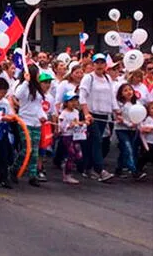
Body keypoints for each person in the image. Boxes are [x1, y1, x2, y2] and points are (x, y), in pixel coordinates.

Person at [79, 53, 117, 182]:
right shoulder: (88, 78)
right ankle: (100, 169)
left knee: (92, 142)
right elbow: (82, 96)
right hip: (91, 114)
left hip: (104, 115)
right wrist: (86, 113)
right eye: (97, 62)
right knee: (97, 141)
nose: (99, 65)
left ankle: (87, 167)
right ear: (93, 64)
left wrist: (117, 112)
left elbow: (112, 97)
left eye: (102, 62)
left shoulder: (107, 79)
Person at [13, 65, 47, 187]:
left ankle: (33, 175)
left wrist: (43, 116)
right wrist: (26, 82)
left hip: (36, 123)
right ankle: (15, 169)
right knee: (27, 149)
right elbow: (18, 95)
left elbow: (39, 106)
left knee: (35, 150)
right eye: (37, 73)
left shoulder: (38, 90)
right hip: (25, 122)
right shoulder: (24, 87)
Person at [114, 83, 142, 179]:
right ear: (121, 93)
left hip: (133, 130)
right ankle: (134, 170)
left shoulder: (137, 103)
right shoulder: (119, 104)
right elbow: (118, 118)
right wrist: (128, 123)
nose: (128, 92)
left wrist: (137, 124)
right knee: (127, 148)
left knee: (126, 150)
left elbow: (140, 115)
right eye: (125, 90)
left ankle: (119, 168)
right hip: (121, 129)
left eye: (130, 90)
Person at [57, 91, 85, 185]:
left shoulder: (76, 112)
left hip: (75, 136)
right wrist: (69, 125)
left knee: (78, 155)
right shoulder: (63, 114)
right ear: (66, 103)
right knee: (72, 153)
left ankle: (68, 166)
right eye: (71, 101)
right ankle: (67, 174)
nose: (74, 103)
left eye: (75, 100)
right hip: (67, 136)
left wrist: (81, 124)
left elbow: (77, 122)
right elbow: (61, 127)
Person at [138, 101, 153, 176]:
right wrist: (148, 129)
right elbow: (144, 129)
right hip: (149, 142)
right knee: (146, 157)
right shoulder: (148, 119)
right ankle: (138, 168)